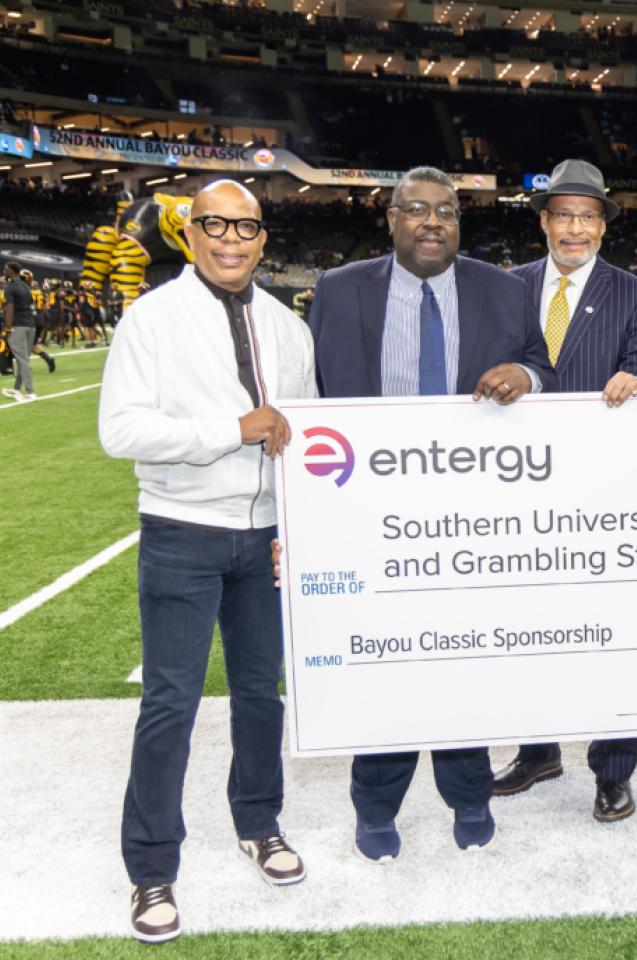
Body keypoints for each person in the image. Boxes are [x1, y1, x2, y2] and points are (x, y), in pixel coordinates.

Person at [306, 165, 557, 861]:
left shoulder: (503, 289)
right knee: (382, 663)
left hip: (465, 518)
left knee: (459, 661)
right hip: (367, 510)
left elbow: (545, 366)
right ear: (390, 218)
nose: (432, 222)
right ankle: (376, 806)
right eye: (416, 209)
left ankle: (469, 794)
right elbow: (314, 394)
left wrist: (526, 377)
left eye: (446, 211)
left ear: (458, 222)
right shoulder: (337, 289)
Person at [99, 180, 316, 944]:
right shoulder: (150, 318)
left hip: (262, 539)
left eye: (245, 226)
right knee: (170, 705)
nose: (231, 238)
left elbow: (304, 437)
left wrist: (299, 521)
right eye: (214, 225)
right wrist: (230, 429)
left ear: (263, 238)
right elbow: (119, 430)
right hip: (182, 531)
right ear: (189, 234)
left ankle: (260, 823)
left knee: (262, 696)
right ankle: (151, 867)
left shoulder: (290, 326)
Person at [498, 158, 637, 822]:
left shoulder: (635, 293)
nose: (574, 228)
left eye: (587, 217)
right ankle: (538, 749)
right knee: (530, 626)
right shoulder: (507, 287)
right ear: (543, 222)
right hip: (521, 490)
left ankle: (613, 768)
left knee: (610, 631)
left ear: (602, 227)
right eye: (562, 215)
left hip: (602, 492)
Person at [2, 261, 38, 401]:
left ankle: (30, 392)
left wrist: (7, 328)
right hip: (31, 325)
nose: (4, 271)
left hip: (18, 326)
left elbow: (10, 310)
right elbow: (29, 304)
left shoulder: (9, 288)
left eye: (6, 269)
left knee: (22, 360)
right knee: (23, 359)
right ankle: (17, 389)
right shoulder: (25, 285)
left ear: (12, 270)